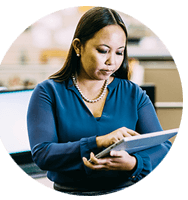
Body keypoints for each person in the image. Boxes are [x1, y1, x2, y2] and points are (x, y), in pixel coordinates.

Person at [27, 7, 172, 196]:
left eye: (119, 52)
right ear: (78, 46)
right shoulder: (48, 92)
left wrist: (134, 164)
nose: (112, 61)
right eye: (103, 51)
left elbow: (163, 147)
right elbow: (43, 155)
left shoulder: (132, 93)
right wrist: (97, 142)